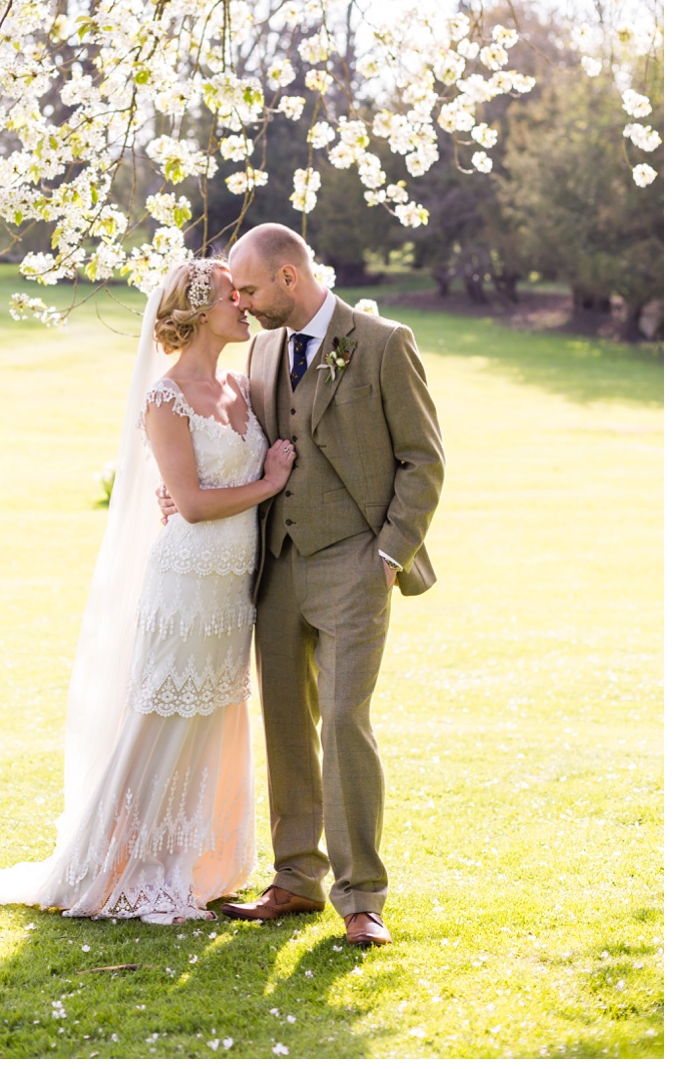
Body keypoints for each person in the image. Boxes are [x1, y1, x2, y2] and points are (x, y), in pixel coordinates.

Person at [0, 258, 296, 923]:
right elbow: (194, 504)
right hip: (184, 584)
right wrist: (268, 483)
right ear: (202, 309)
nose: (245, 304)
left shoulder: (242, 383)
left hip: (233, 588)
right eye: (233, 296)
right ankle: (122, 862)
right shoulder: (165, 398)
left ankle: (197, 865)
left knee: (213, 719)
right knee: (163, 718)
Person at [160, 224, 445, 946]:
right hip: (274, 568)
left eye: (250, 289)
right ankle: (294, 882)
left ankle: (361, 898)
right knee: (286, 726)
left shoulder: (382, 343)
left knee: (345, 723)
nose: (243, 304)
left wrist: (388, 554)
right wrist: (180, 494)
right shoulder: (258, 351)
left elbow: (423, 460)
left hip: (355, 563)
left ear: (290, 277)